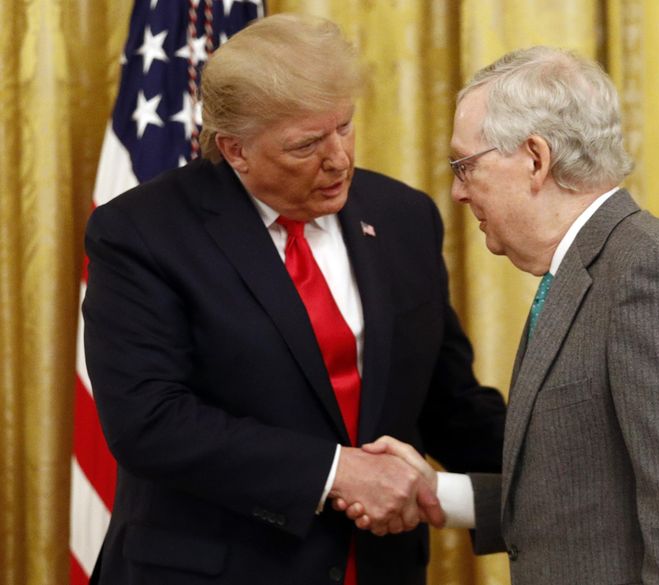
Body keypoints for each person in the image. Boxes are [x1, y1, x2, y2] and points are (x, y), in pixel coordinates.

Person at [82, 14, 505, 585]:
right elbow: (150, 422)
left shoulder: (402, 216)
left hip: (378, 567)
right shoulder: (142, 232)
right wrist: (338, 473)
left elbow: (445, 401)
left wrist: (563, 472)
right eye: (307, 144)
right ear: (235, 150)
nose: (339, 159)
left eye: (345, 127)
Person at [351, 46, 659, 585]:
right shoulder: (583, 270)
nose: (456, 192)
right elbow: (589, 490)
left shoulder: (651, 275)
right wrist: (438, 493)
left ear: (535, 159)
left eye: (465, 165)